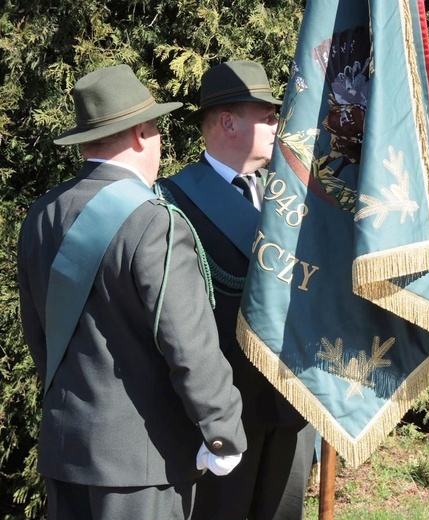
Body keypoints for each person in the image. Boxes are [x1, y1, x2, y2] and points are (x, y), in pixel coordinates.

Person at [17, 64, 247, 520]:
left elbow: (40, 336)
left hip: (66, 451)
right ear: (142, 134)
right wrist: (222, 431)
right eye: (157, 128)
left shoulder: (42, 213)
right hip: (143, 464)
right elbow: (189, 345)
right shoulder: (154, 220)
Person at [157, 60, 316, 520]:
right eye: (266, 115)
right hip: (225, 413)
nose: (276, 124)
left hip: (293, 405)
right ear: (228, 121)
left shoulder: (294, 196)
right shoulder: (172, 201)